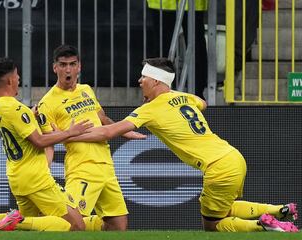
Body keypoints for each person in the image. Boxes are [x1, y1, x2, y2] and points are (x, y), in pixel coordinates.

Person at [67, 57, 299, 232]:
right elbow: (203, 103)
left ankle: (262, 226)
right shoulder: (186, 98)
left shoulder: (151, 109)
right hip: (233, 157)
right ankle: (276, 210)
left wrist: (68, 135)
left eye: (144, 77)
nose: (139, 81)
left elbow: (107, 131)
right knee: (226, 209)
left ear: (156, 81)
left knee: (212, 225)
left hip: (217, 167)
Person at [0, 57, 93, 232]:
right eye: (16, 76)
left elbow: (17, 126)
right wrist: (70, 132)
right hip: (36, 179)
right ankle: (15, 221)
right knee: (77, 225)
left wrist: (30, 116)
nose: (18, 79)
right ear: (9, 80)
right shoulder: (17, 109)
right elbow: (39, 141)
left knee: (33, 225)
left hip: (17, 177)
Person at [36, 44, 146, 231]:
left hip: (106, 166)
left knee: (118, 226)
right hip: (82, 168)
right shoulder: (47, 102)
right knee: (72, 223)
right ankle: (30, 224)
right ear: (55, 68)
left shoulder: (86, 89)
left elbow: (102, 118)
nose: (68, 69)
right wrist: (44, 170)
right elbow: (48, 140)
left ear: (79, 66)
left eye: (72, 64)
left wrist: (122, 129)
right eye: (63, 65)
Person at [147, 0, 208, 100]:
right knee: (195, 47)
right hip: (169, 4)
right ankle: (196, 95)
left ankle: (162, 94)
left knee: (195, 48)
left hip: (169, 4)